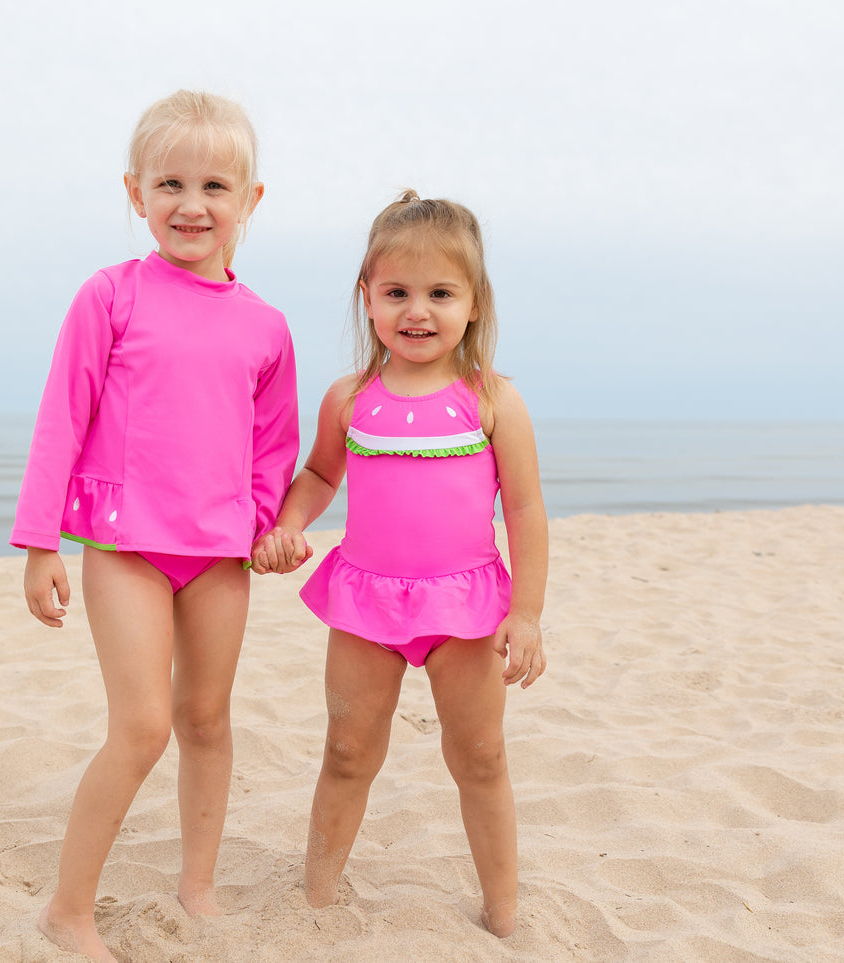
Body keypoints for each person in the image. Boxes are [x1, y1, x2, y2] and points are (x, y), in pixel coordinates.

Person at [12, 90, 297, 961]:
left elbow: (272, 449)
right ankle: (68, 908)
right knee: (140, 726)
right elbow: (61, 418)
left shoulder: (265, 326)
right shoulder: (110, 296)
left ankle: (197, 885)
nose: (191, 203)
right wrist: (38, 544)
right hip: (125, 547)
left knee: (206, 719)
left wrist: (266, 528)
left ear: (249, 201)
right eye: (169, 182)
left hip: (218, 558)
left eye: (215, 185)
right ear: (136, 192)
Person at [251, 190, 547, 938]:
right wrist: (287, 523)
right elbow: (319, 477)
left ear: (473, 303)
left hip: (466, 605)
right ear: (368, 298)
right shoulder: (349, 399)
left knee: (478, 755)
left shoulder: (491, 401)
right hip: (365, 601)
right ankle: (316, 894)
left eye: (440, 293)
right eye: (397, 293)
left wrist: (528, 612)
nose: (417, 311)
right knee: (348, 747)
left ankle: (503, 910)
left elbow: (523, 510)